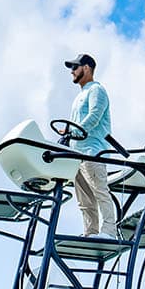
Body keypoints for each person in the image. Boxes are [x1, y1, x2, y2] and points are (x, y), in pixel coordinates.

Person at [63, 53, 118, 238]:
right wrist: (68, 131)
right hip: (77, 155)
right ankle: (90, 233)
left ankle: (109, 231)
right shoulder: (80, 96)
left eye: (75, 67)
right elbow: (77, 123)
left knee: (100, 192)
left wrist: (74, 131)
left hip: (93, 152)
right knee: (84, 201)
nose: (72, 71)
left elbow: (94, 116)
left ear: (86, 68)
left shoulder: (97, 90)